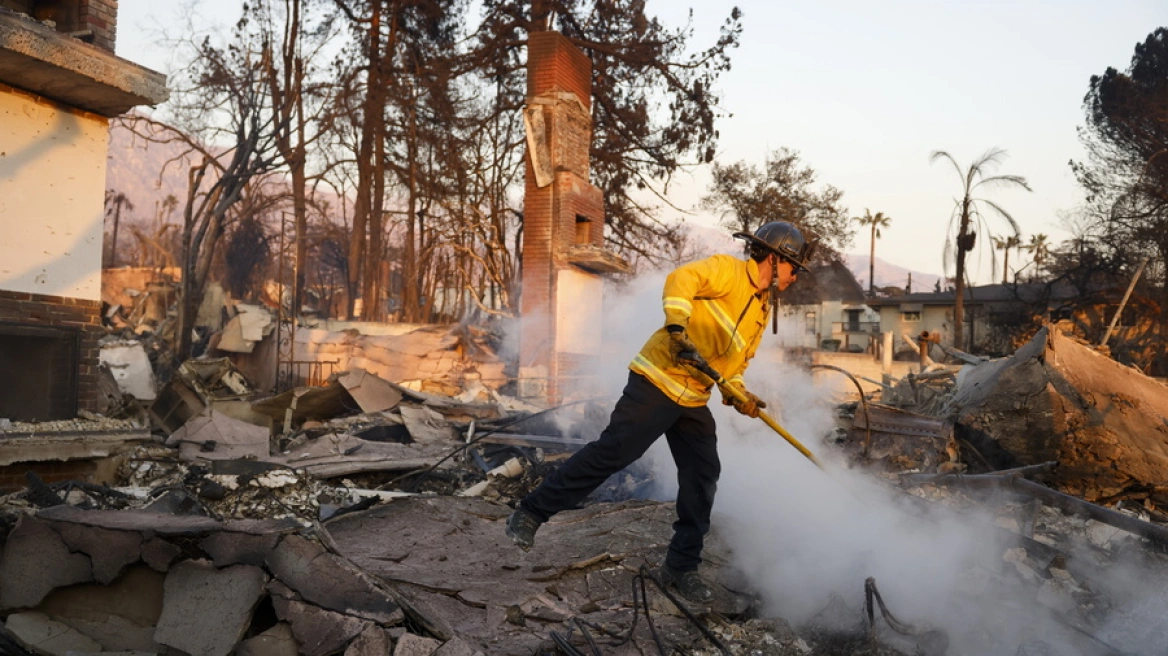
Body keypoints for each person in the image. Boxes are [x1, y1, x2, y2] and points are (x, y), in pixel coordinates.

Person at [505, 221, 813, 603]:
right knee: (614, 452)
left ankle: (681, 567)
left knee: (703, 474)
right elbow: (681, 279)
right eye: (794, 267)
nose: (796, 276)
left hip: (693, 397)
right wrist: (677, 328)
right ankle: (531, 512)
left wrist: (739, 394)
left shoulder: (762, 309)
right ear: (775, 257)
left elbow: (733, 366)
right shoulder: (728, 271)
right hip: (657, 379)